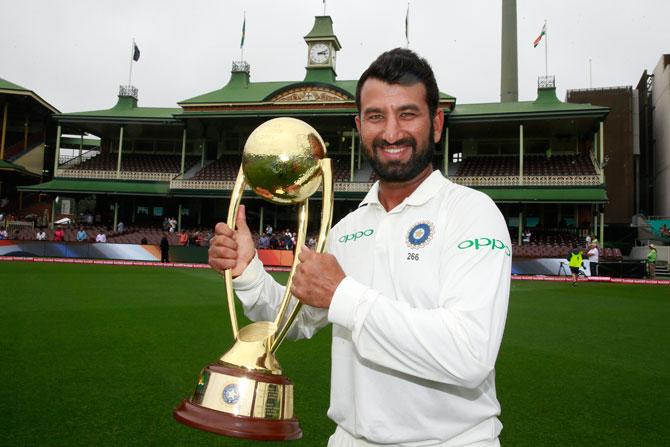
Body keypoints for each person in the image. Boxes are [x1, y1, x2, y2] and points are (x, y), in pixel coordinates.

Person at [209, 48, 511, 446]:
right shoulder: (348, 228)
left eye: (407, 114)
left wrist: (343, 294)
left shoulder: (472, 213)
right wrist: (248, 271)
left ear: (436, 123)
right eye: (375, 116)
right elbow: (297, 322)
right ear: (359, 126)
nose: (390, 133)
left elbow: (469, 355)